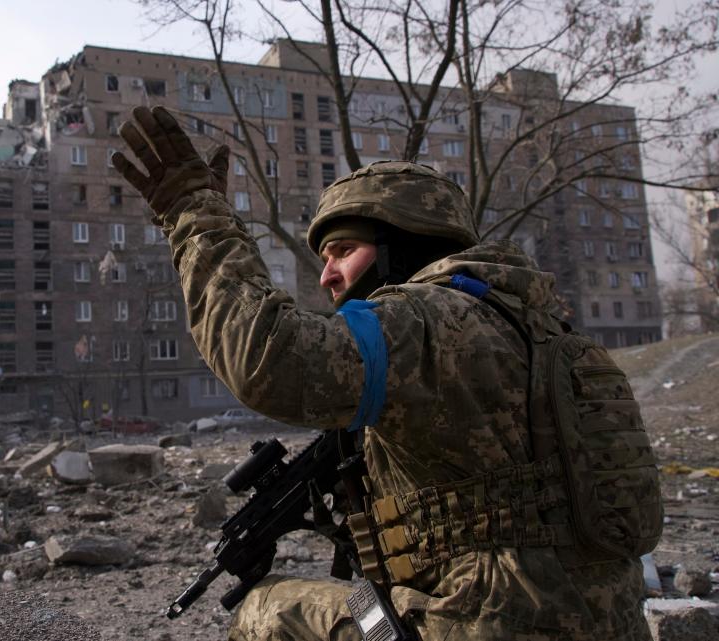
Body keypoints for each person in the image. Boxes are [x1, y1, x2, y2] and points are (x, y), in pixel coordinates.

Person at [112, 106, 656, 641]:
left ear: (403, 247)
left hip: (481, 621)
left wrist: (194, 213)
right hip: (605, 620)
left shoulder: (422, 320)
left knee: (264, 609)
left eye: (343, 251)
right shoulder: (546, 332)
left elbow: (268, 359)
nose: (327, 275)